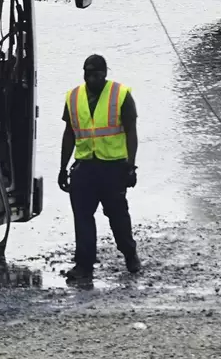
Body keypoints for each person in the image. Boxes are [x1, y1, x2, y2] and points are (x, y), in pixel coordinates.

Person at [58, 54, 141, 280]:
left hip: (113, 167)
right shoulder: (74, 97)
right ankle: (84, 265)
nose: (91, 79)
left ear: (105, 74)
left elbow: (131, 132)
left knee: (117, 216)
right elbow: (69, 134)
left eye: (96, 74)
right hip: (84, 166)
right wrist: (62, 168)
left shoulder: (121, 95)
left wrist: (131, 166)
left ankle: (129, 253)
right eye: (87, 74)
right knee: (82, 217)